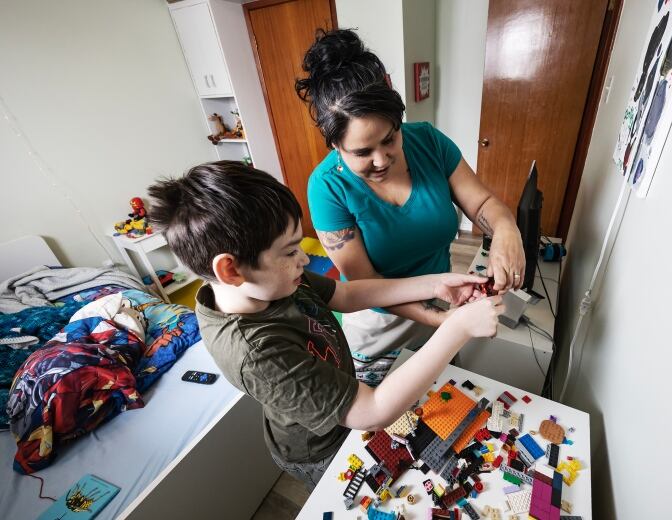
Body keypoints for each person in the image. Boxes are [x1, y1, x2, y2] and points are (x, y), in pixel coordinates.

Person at [146, 161, 504, 490]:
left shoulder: (270, 284)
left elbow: (346, 296)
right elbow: (371, 411)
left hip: (345, 404)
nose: (304, 258)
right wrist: (456, 330)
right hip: (320, 448)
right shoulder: (255, 352)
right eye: (289, 251)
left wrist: (436, 282)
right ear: (231, 270)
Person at [299, 29, 526, 385]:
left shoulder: (429, 143)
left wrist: (507, 230)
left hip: (444, 303)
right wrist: (444, 321)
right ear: (335, 146)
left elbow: (482, 202)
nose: (381, 159)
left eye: (390, 139)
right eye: (362, 152)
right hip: (380, 326)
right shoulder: (327, 187)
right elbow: (367, 284)